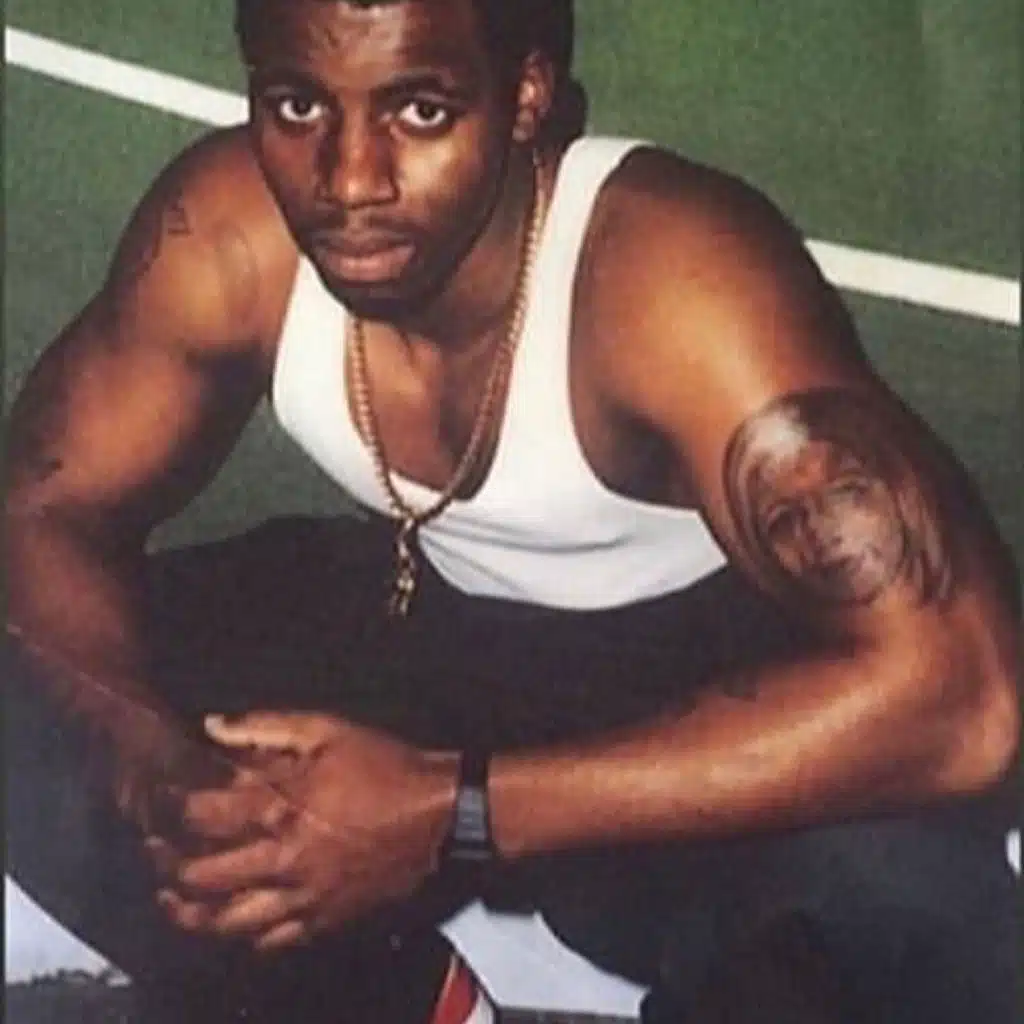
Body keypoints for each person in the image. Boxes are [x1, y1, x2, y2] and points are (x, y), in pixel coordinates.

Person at [5, 0, 1020, 1021]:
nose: (349, 181)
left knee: (898, 912)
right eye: (299, 106)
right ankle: (395, 1005)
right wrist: (151, 762)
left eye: (420, 111)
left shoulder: (671, 277)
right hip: (426, 617)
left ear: (526, 95)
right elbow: (43, 509)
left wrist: (453, 808)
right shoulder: (228, 234)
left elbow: (966, 696)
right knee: (33, 699)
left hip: (708, 689)